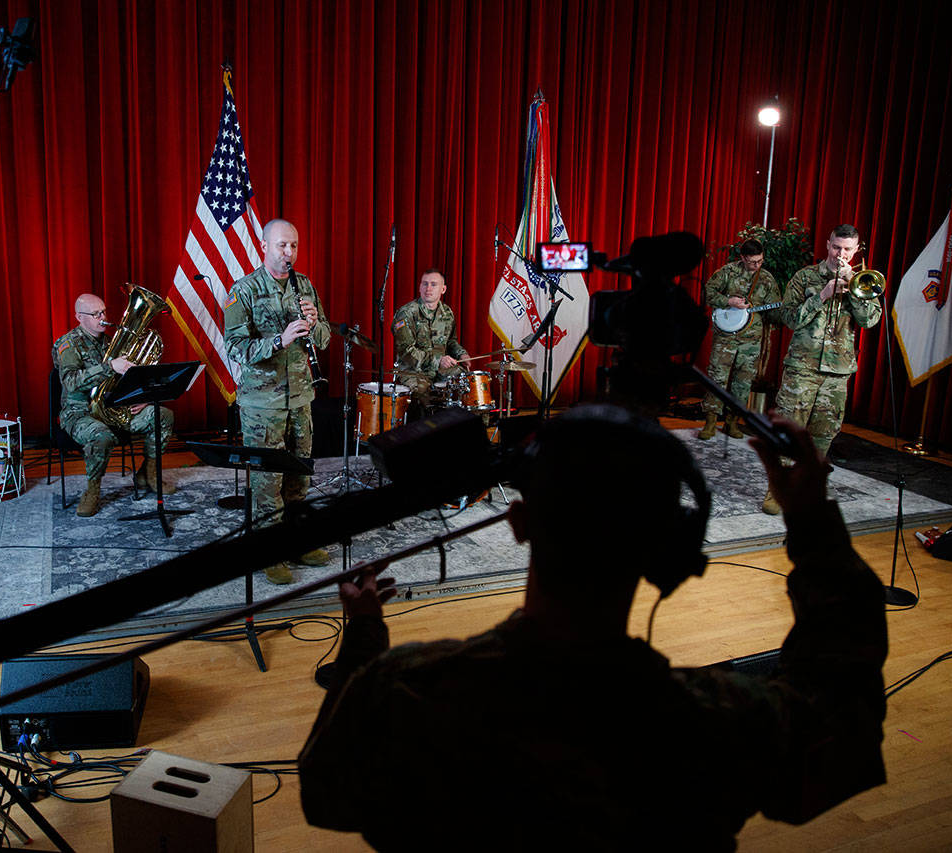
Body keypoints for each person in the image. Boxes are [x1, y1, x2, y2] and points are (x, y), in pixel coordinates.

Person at [298, 405, 887, 850]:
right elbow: (843, 716)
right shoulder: (718, 722)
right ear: (669, 550)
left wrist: (366, 634)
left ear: (521, 523)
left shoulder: (407, 690)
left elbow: (325, 793)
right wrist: (810, 521)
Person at [223, 219, 332, 584]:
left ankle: (296, 542)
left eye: (294, 246)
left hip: (301, 396)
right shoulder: (244, 291)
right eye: (282, 245)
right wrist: (278, 340)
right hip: (262, 404)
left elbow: (327, 337)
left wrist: (315, 324)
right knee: (267, 482)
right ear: (264, 246)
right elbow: (235, 348)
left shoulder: (305, 285)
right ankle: (268, 551)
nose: (289, 253)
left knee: (299, 475)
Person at [764, 224, 881, 514]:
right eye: (835, 247)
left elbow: (870, 321)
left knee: (823, 434)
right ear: (827, 243)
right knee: (790, 431)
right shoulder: (805, 277)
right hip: (801, 367)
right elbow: (788, 318)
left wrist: (854, 289)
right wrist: (823, 295)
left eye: (847, 249)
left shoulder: (862, 281)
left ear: (856, 251)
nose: (840, 254)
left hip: (837, 372)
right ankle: (776, 490)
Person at [52, 293, 176, 518]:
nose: (103, 317)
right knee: (101, 436)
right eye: (95, 314)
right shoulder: (68, 344)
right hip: (79, 412)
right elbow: (70, 381)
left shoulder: (110, 342)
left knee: (162, 415)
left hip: (112, 408)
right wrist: (110, 366)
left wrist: (139, 397)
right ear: (79, 317)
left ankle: (148, 473)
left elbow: (125, 380)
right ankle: (92, 490)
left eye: (104, 312)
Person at [699, 239, 779, 440]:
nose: (757, 266)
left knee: (743, 382)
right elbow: (707, 293)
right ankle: (709, 422)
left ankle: (732, 422)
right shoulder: (727, 272)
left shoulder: (767, 279)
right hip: (726, 337)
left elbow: (775, 310)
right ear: (742, 258)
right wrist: (728, 301)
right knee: (717, 377)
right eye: (752, 262)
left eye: (760, 261)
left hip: (751, 339)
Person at [392, 268, 471, 411]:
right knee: (423, 393)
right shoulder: (407, 313)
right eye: (425, 284)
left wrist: (461, 354)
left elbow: (451, 341)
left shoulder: (447, 313)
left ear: (443, 289)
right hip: (413, 371)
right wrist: (438, 360)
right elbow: (407, 352)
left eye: (433, 284)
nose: (428, 288)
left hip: (441, 369)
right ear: (419, 287)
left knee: (466, 383)